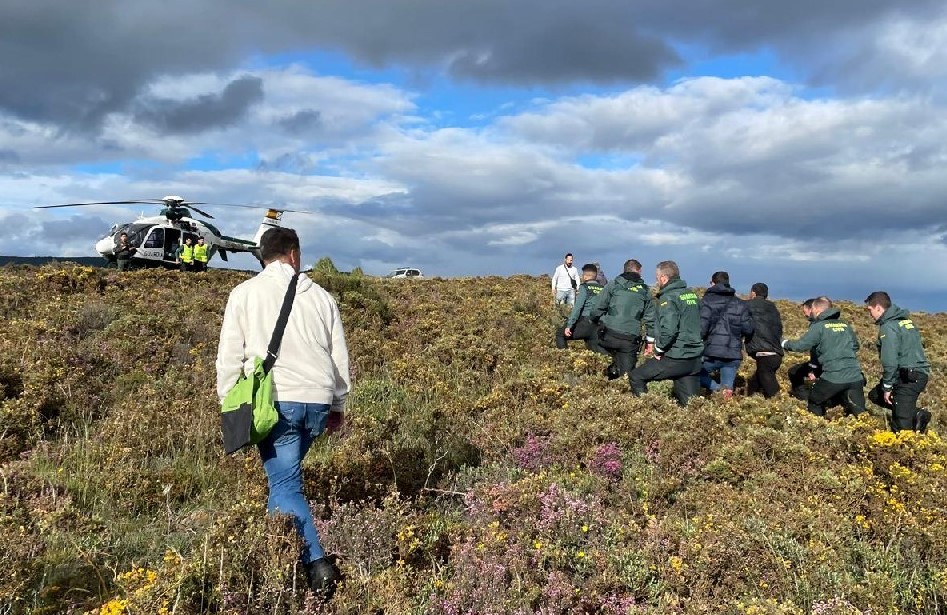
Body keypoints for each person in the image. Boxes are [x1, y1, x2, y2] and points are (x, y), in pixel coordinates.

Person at [215, 227, 349, 598]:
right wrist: (338, 404)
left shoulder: (244, 294)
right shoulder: (323, 298)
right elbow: (339, 357)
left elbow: (229, 356)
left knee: (286, 485)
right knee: (283, 482)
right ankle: (278, 551)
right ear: (294, 254)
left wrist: (230, 401)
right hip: (318, 400)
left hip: (276, 401)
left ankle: (317, 567)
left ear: (263, 256)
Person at [629, 260, 703, 405]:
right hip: (694, 359)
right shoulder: (692, 296)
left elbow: (669, 330)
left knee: (636, 376)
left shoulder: (668, 298)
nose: (657, 282)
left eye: (657, 279)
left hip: (676, 357)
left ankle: (647, 413)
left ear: (664, 278)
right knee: (690, 406)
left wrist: (659, 349)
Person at [782, 297, 865, 418]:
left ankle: (817, 426)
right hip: (856, 376)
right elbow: (856, 346)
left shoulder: (819, 326)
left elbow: (801, 346)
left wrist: (784, 343)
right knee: (859, 413)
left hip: (833, 376)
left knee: (815, 400)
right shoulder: (845, 325)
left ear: (815, 309)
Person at [864, 291, 932, 433]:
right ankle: (915, 413)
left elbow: (890, 360)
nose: (869, 314)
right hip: (915, 373)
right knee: (875, 395)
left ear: (878, 307)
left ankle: (906, 449)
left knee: (901, 424)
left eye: (870, 310)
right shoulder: (906, 322)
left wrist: (888, 386)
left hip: (908, 377)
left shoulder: (888, 327)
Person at [588, 259, 654, 383]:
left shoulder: (613, 285)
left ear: (624, 270)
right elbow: (651, 319)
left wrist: (594, 321)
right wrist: (650, 342)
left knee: (595, 344)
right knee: (627, 378)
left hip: (608, 336)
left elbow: (597, 308)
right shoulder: (645, 291)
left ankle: (604, 376)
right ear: (639, 271)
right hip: (630, 340)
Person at [699, 271, 754, 399]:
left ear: (712, 283)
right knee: (727, 389)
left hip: (711, 352)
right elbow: (748, 330)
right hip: (733, 353)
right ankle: (724, 398)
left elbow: (701, 329)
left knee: (693, 374)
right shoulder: (741, 304)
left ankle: (717, 389)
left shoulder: (706, 301)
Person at [744, 282, 784, 398]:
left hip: (765, 353)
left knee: (771, 388)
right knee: (754, 383)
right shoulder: (772, 307)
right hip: (776, 352)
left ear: (753, 292)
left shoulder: (747, 305)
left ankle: (781, 408)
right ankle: (750, 402)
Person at [555, 263, 607, 353]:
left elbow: (577, 308)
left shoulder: (584, 288)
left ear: (586, 276)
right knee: (595, 351)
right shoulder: (604, 289)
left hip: (586, 322)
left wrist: (569, 326)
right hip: (600, 325)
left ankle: (565, 358)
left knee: (560, 334)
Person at [786, 298, 823, 400]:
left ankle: (806, 399)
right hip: (826, 363)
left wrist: (784, 343)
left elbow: (804, 346)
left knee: (794, 372)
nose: (805, 314)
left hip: (825, 364)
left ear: (812, 309)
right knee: (794, 371)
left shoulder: (818, 325)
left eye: (805, 311)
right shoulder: (819, 323)